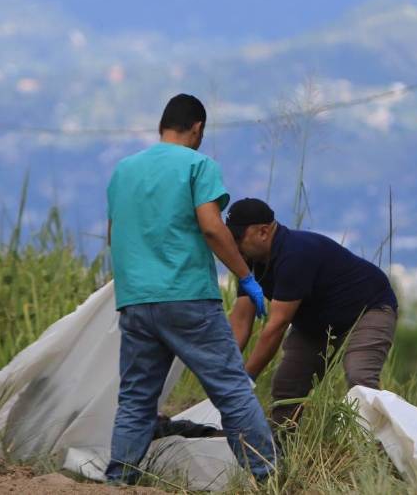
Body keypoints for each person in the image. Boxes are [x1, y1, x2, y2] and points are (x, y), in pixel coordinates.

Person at [105, 94, 275, 484]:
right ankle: (269, 477)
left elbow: (115, 234)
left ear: (162, 126)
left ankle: (118, 481)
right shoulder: (199, 164)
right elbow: (213, 226)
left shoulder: (124, 170)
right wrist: (245, 278)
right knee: (232, 390)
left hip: (135, 301)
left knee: (136, 399)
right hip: (187, 297)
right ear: (197, 128)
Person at [226, 198, 398, 427]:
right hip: (317, 322)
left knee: (360, 377)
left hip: (368, 309)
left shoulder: (295, 253)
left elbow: (276, 326)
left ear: (264, 232)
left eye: (238, 238)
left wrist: (245, 379)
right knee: (287, 386)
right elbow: (240, 321)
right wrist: (226, 371)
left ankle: (378, 452)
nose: (234, 246)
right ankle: (278, 451)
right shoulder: (249, 262)